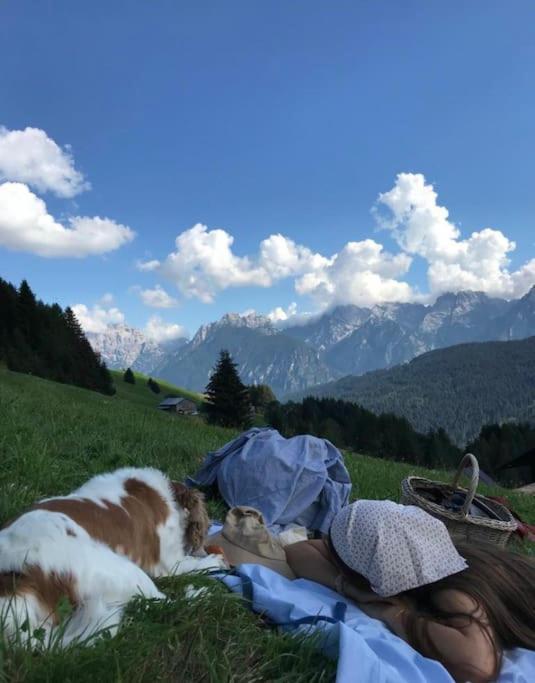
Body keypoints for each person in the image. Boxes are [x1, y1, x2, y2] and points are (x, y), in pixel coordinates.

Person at [285, 499, 535, 683]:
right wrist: (347, 587)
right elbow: (300, 551)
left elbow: (478, 666)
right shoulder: (436, 557)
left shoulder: (452, 590)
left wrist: (394, 614)